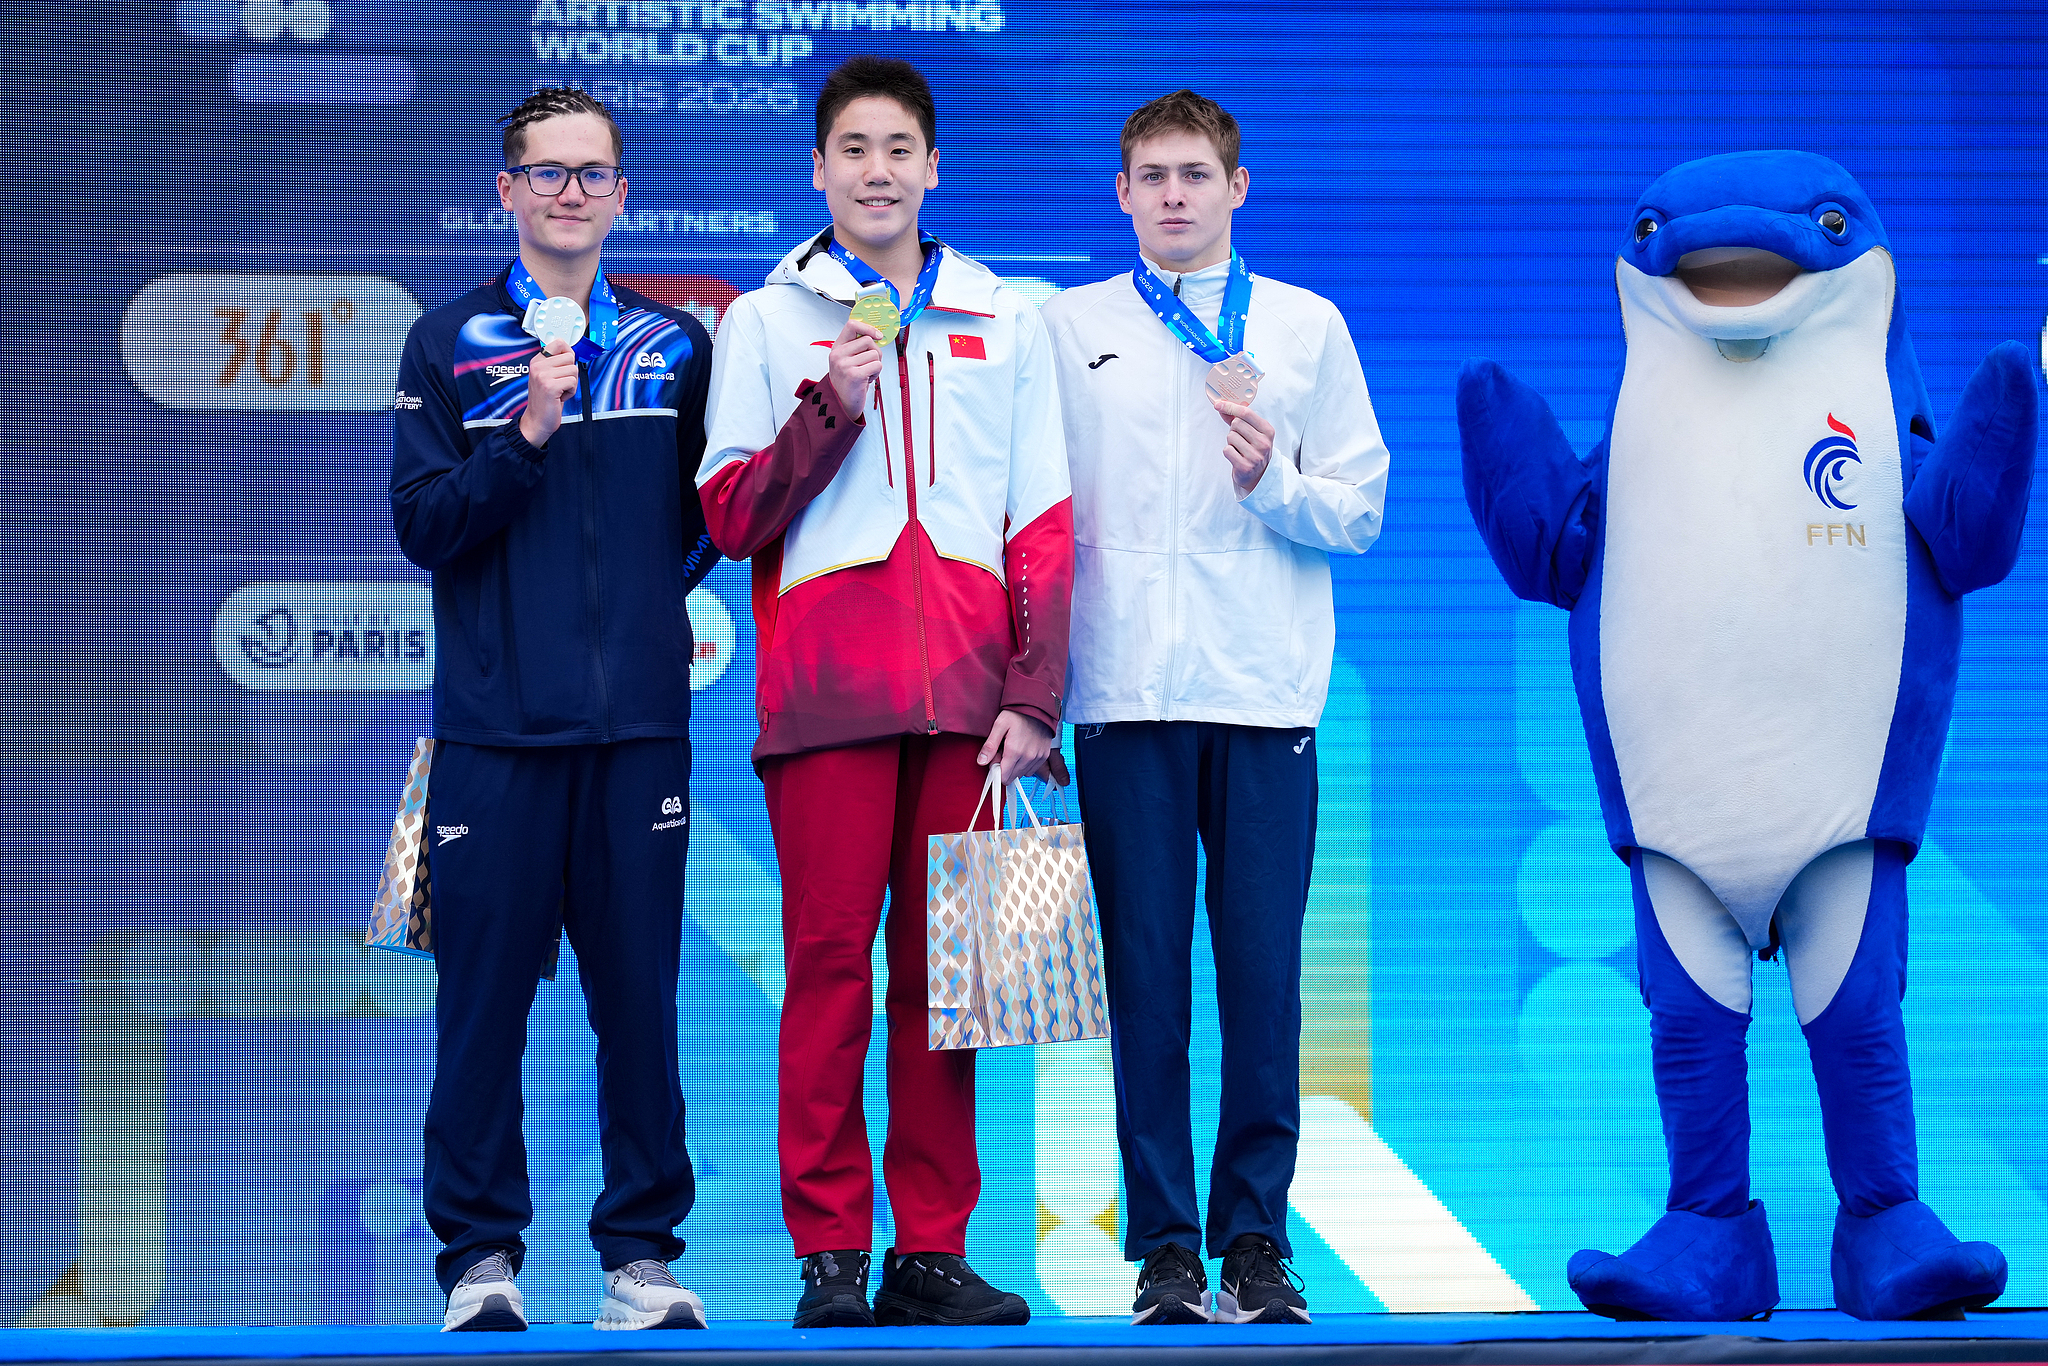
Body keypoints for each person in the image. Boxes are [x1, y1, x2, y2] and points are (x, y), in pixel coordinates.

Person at [699, 55, 1072, 1330]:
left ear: (931, 166)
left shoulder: (1002, 315)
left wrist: (1034, 692)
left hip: (971, 706)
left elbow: (1040, 520)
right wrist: (829, 409)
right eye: (851, 149)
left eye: (897, 147)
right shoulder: (762, 323)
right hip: (827, 698)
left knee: (946, 981)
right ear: (817, 169)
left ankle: (929, 1248)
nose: (875, 170)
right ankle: (825, 1253)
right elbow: (730, 513)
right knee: (825, 969)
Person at [1039, 89, 1389, 1326]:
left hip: (1262, 692)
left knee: (1260, 977)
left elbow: (1361, 510)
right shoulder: (1066, 327)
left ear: (1238, 189)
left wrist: (1274, 479)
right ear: (1121, 195)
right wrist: (1033, 689)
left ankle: (1255, 1242)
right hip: (1123, 695)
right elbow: (1034, 513)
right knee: (1143, 980)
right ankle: (1164, 1252)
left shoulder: (1304, 327)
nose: (1174, 195)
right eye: (1151, 176)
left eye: (1195, 174)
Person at [389, 86, 719, 1333]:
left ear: (621, 194)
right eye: (547, 172)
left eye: (593, 173)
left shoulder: (676, 345)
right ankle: (480, 1257)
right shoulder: (445, 341)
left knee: (639, 1002)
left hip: (637, 735)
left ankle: (639, 1259)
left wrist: (639, 615)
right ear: (507, 190)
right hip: (490, 739)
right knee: (480, 1007)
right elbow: (425, 525)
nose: (570, 192)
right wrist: (524, 431)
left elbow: (701, 528)